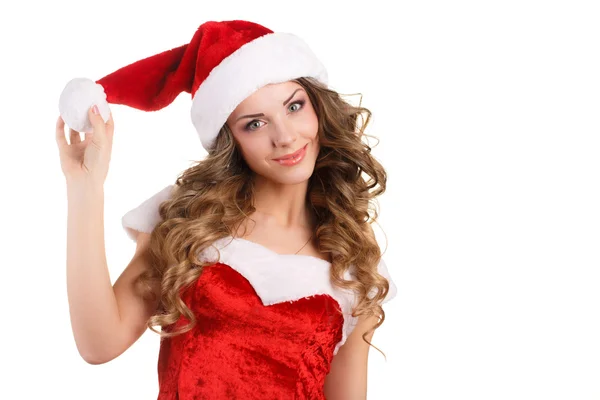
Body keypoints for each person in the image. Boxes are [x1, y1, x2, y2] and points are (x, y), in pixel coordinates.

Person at [56, 19, 398, 399]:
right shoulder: (190, 224)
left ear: (319, 106)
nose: (285, 137)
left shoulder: (353, 261)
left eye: (294, 106)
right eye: (254, 123)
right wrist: (85, 187)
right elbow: (98, 343)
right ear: (230, 140)